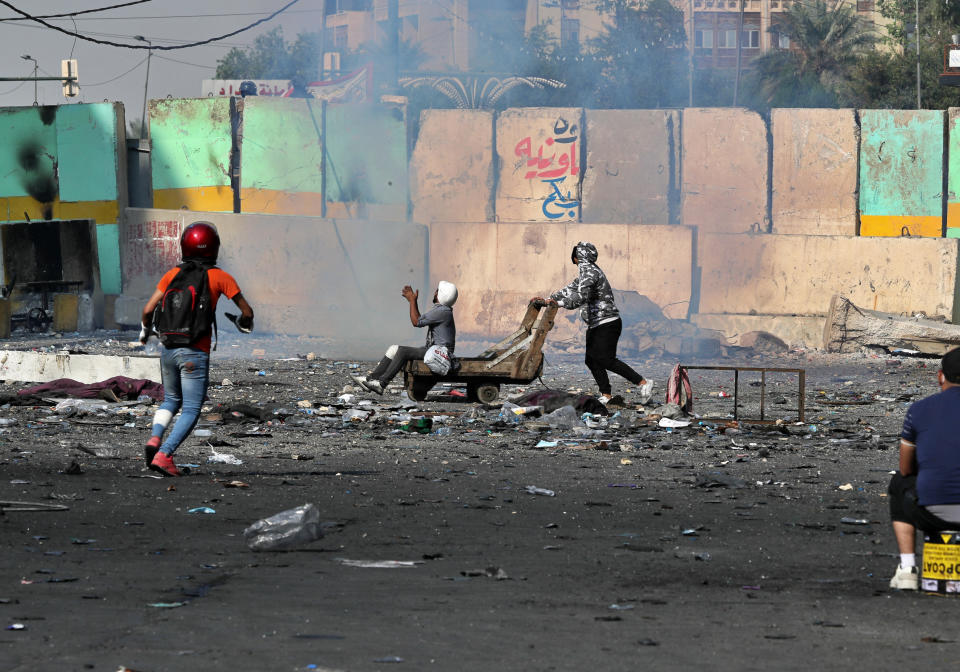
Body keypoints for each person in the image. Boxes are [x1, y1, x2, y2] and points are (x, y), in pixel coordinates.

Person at [139, 221, 254, 477]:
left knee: (170, 400)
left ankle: (155, 439)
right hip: (194, 353)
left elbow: (148, 311)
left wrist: (147, 332)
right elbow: (247, 312)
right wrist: (243, 322)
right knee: (191, 408)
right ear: (214, 247)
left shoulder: (172, 275)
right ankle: (164, 455)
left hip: (168, 350)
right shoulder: (220, 277)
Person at [534, 241, 651, 405]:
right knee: (591, 360)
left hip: (607, 322)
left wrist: (559, 304)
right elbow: (571, 289)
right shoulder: (587, 271)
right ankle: (606, 394)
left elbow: (582, 296)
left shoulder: (588, 270)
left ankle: (642, 382)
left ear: (576, 258)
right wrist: (549, 300)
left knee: (605, 359)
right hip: (596, 323)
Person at [888, 347, 960, 590]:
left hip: (933, 513)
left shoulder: (918, 410)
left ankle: (908, 569)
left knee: (899, 482)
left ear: (940, 376)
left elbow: (906, 468)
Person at [353, 281, 457, 395]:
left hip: (440, 354)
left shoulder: (442, 311)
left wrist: (412, 301)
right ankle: (371, 380)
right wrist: (413, 301)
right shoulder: (442, 311)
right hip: (434, 351)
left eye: (437, 291)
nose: (435, 292)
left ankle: (382, 384)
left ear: (440, 295)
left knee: (403, 351)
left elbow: (416, 321)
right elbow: (419, 319)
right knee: (394, 349)